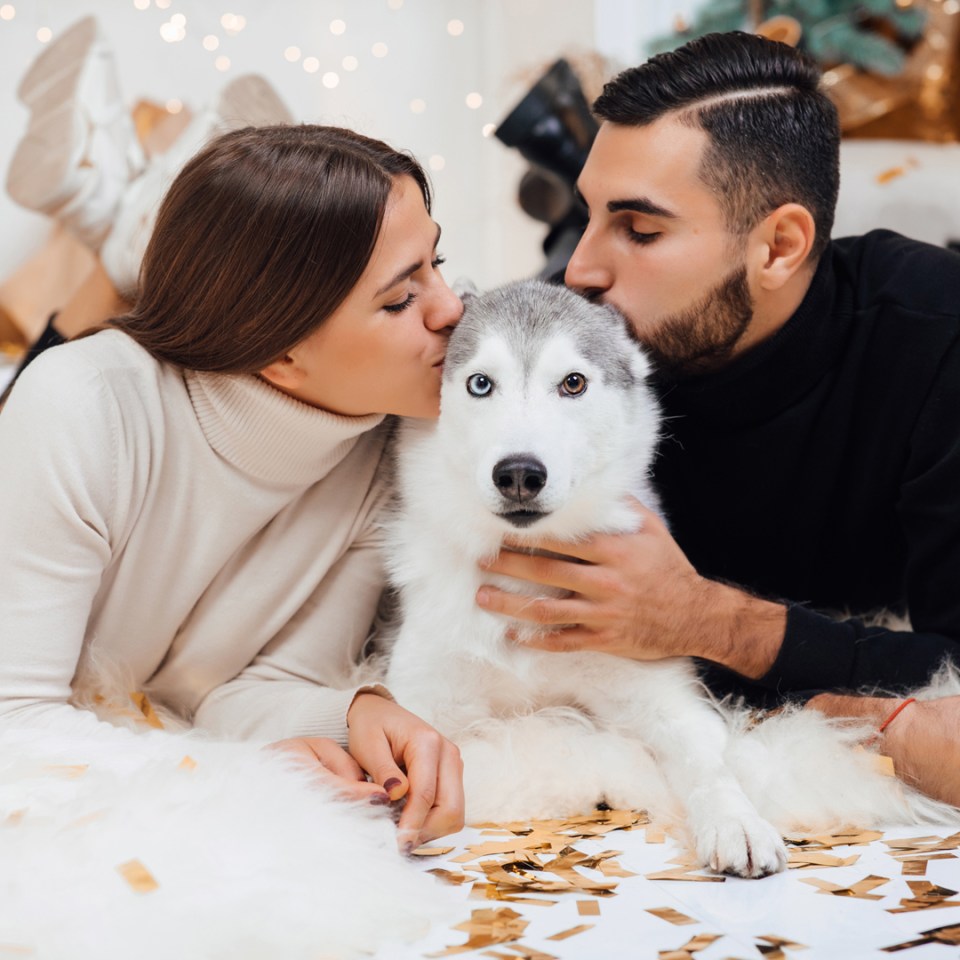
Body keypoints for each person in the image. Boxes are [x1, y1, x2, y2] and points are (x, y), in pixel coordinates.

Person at [474, 31, 960, 806]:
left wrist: (709, 621)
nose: (580, 270)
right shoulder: (563, 363)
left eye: (639, 229)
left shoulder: (936, 336)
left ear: (779, 247)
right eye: (588, 216)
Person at [0, 120, 466, 852]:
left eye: (437, 265)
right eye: (402, 298)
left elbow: (239, 692)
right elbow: (14, 720)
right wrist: (222, 775)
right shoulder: (82, 407)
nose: (453, 309)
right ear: (280, 352)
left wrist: (356, 715)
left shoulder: (390, 451)